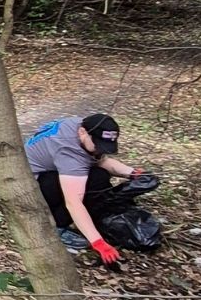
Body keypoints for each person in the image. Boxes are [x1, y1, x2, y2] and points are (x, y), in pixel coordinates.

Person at [25, 113, 144, 264]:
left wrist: (134, 173)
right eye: (98, 145)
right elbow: (74, 203)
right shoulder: (68, 151)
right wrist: (98, 243)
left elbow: (100, 160)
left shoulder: (79, 126)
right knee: (95, 181)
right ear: (82, 132)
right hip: (33, 190)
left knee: (99, 175)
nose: (99, 150)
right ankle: (56, 226)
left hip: (46, 174)